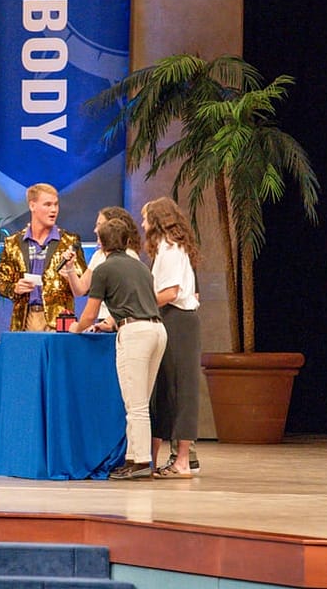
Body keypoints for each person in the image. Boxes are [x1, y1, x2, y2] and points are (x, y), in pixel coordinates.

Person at [68, 216, 166, 480]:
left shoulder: (103, 269)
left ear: (101, 244)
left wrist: (76, 328)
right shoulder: (141, 267)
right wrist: (110, 322)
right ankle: (134, 457)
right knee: (141, 400)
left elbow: (89, 314)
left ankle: (141, 461)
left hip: (134, 333)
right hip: (158, 330)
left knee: (135, 403)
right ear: (125, 241)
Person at [142, 196, 202, 478]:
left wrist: (140, 304)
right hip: (172, 319)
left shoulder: (170, 248)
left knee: (181, 388)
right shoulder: (169, 248)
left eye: (145, 219)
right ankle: (157, 460)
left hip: (178, 321)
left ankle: (182, 461)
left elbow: (170, 292)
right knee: (165, 388)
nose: (142, 224)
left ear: (156, 221)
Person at [0, 183, 87, 331]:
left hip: (58, 321)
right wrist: (15, 288)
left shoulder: (69, 242)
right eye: (48, 205)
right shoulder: (13, 243)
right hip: (24, 321)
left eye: (56, 204)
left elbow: (85, 285)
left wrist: (70, 276)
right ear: (32, 206)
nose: (54, 210)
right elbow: (1, 283)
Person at [61, 205, 142, 329]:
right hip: (101, 319)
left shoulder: (129, 256)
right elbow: (80, 289)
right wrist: (70, 268)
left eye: (99, 225)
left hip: (121, 322)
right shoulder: (98, 256)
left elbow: (131, 299)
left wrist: (109, 321)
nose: (95, 230)